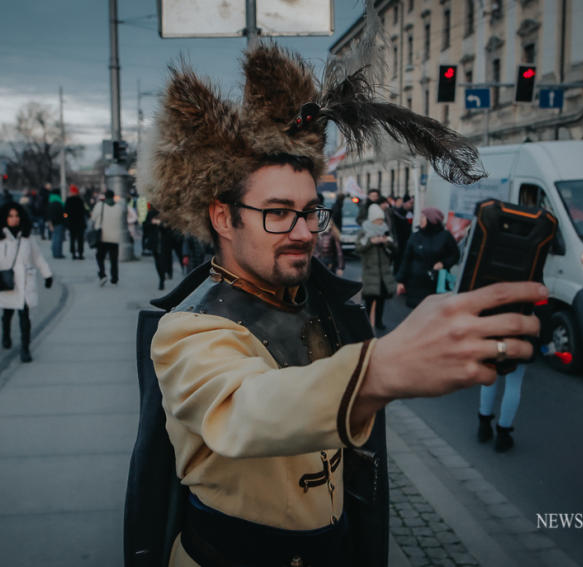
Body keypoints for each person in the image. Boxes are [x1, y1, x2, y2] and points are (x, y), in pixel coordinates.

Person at [125, 42, 543, 567]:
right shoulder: (189, 330)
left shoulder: (322, 305)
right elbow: (242, 409)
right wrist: (384, 368)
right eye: (278, 213)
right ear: (223, 218)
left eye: (309, 212)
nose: (303, 232)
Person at [0, 202, 53, 363]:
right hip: (7, 282)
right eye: (10, 216)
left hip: (25, 282)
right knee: (7, 313)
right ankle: (5, 334)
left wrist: (47, 274)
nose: (14, 219)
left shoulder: (27, 237)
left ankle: (25, 348)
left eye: (17, 216)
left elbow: (37, 257)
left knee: (24, 315)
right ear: (4, 218)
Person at [395, 207, 460, 309]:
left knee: (433, 311)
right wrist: (400, 281)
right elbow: (406, 260)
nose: (420, 220)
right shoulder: (415, 236)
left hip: (436, 283)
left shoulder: (445, 236)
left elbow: (455, 255)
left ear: (431, 220)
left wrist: (443, 263)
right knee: (417, 313)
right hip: (416, 283)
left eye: (423, 217)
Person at [356, 203, 397, 330]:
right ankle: (367, 323)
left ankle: (379, 322)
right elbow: (358, 248)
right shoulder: (364, 231)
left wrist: (386, 243)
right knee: (369, 299)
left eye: (381, 220)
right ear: (372, 219)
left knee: (381, 299)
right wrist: (370, 242)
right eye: (378, 220)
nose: (380, 222)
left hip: (383, 271)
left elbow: (395, 249)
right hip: (370, 271)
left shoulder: (385, 230)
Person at [90, 189, 125, 286]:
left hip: (102, 236)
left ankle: (102, 274)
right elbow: (121, 221)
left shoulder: (99, 205)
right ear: (113, 196)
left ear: (105, 196)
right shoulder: (119, 207)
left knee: (100, 257)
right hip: (114, 237)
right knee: (114, 259)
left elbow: (93, 218)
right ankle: (114, 278)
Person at [144, 205, 174, 290]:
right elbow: (145, 226)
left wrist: (159, 223)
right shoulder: (151, 213)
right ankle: (162, 276)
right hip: (154, 242)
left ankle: (162, 280)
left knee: (163, 261)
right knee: (157, 262)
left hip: (164, 242)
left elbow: (170, 227)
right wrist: (152, 223)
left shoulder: (166, 214)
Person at [65, 184, 87, 259]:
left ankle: (73, 253)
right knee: (80, 239)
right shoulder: (80, 200)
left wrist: (66, 218)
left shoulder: (68, 200)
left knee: (72, 239)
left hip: (71, 223)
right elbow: (83, 211)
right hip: (80, 222)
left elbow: (65, 212)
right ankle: (80, 253)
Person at [46, 192, 65, 259]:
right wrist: (66, 217)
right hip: (59, 223)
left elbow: (48, 215)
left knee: (54, 239)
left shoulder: (50, 204)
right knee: (58, 239)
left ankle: (54, 253)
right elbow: (64, 214)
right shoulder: (60, 204)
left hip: (52, 223)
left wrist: (50, 224)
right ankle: (58, 253)